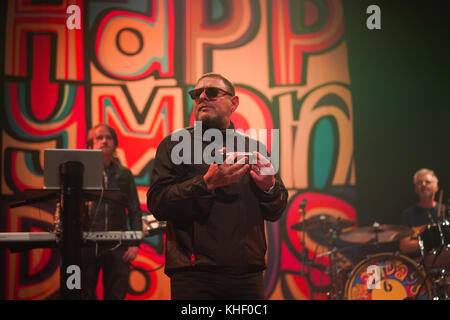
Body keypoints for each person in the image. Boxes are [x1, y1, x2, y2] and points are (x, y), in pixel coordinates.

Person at [147, 73, 288, 300]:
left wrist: (268, 188)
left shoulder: (254, 148)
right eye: (196, 94)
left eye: (212, 92)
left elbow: (276, 210)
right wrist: (206, 183)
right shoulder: (174, 145)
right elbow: (157, 203)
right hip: (193, 274)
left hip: (246, 274)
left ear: (234, 103)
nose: (202, 97)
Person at [82, 123, 142, 299]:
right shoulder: (82, 173)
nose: (104, 141)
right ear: (90, 145)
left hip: (117, 245)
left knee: (116, 295)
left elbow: (134, 209)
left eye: (108, 137)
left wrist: (135, 243)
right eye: (99, 138)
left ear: (115, 143)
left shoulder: (124, 174)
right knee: (84, 294)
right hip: (86, 245)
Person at [400, 168, 449, 268]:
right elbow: (404, 246)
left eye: (427, 182)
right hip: (418, 268)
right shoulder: (408, 215)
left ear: (436, 187)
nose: (423, 184)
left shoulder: (445, 211)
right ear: (415, 189)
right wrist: (430, 241)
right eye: (419, 182)